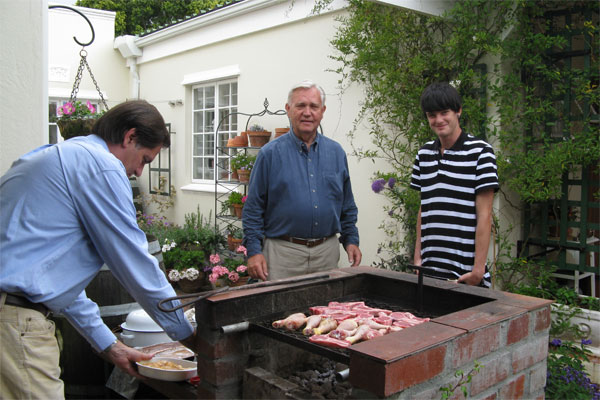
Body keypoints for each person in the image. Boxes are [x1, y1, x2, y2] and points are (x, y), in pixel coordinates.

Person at [0, 100, 196, 399]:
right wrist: (189, 337)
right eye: (144, 159)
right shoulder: (101, 165)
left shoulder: (60, 155)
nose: (139, 173)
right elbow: (132, 259)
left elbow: (52, 281)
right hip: (15, 324)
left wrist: (109, 345)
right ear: (129, 137)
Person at [242, 80, 362, 281]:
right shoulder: (269, 154)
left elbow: (347, 205)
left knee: (324, 311)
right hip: (282, 254)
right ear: (288, 109)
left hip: (326, 254)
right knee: (279, 311)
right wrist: (254, 251)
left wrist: (351, 240)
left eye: (314, 106)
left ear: (322, 111)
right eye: (301, 106)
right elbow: (253, 208)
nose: (307, 112)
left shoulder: (336, 153)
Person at [411, 82, 499, 287]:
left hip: (466, 276)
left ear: (458, 111)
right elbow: (423, 210)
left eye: (444, 112)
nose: (438, 120)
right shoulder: (423, 155)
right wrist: (418, 259)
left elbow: (485, 215)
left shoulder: (481, 153)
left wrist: (478, 270)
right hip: (430, 271)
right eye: (432, 114)